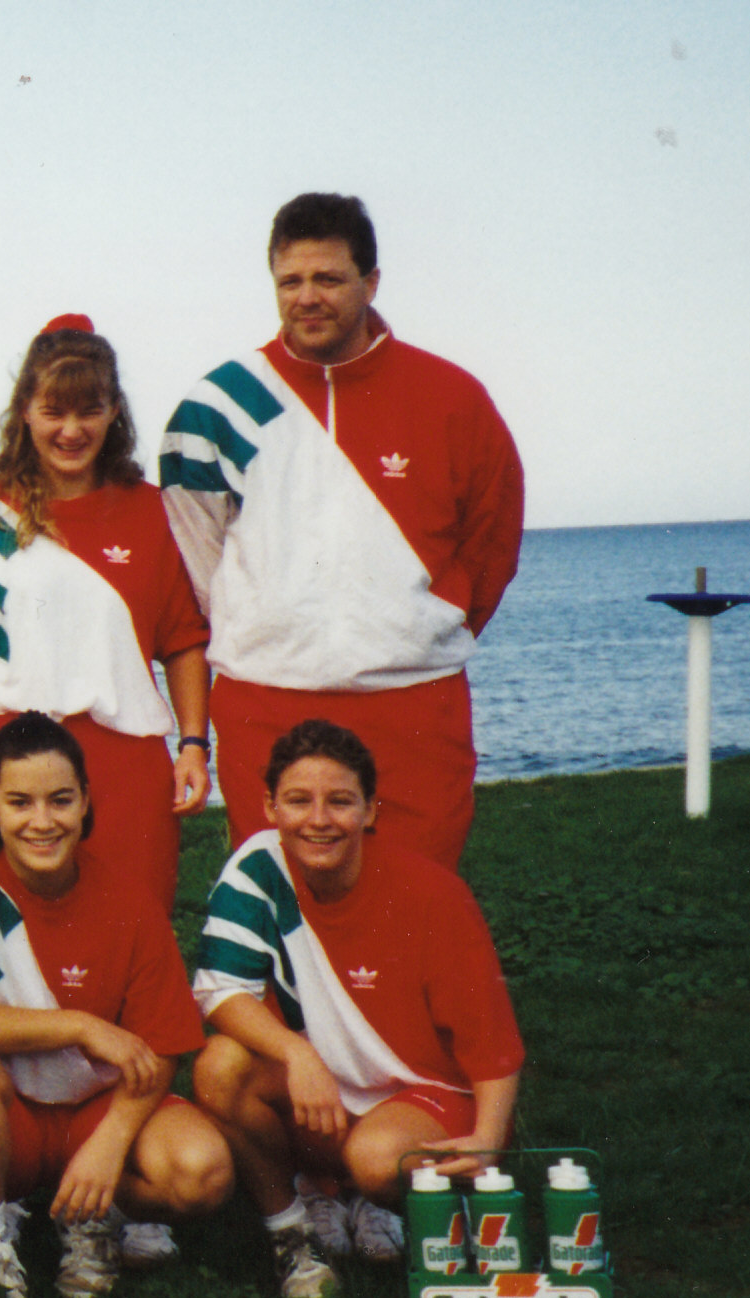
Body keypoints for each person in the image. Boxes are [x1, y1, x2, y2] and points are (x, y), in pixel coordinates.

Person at [159, 193, 524, 868]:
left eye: (327, 279)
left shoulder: (451, 398)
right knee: (282, 917)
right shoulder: (216, 407)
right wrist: (263, 622)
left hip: (413, 705)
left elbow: (491, 542)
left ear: (370, 282)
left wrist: (422, 627)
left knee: (417, 906)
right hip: (264, 704)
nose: (306, 298)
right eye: (289, 282)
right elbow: (193, 555)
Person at [189, 720, 524, 1298]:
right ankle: (293, 1235)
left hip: (421, 1100)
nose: (318, 820)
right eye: (298, 800)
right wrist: (296, 1052)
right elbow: (220, 991)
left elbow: (492, 1044)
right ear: (270, 807)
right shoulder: (258, 869)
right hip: (325, 1096)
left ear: (371, 810)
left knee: (376, 1160)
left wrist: (489, 1140)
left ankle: (378, 1199)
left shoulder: (430, 895)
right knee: (220, 1069)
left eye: (340, 801)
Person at [0, 714, 233, 1298]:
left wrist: (110, 1142)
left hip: (93, 1107)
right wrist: (80, 1024)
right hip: (9, 1117)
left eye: (61, 800)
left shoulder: (126, 898)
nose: (42, 821)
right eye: (19, 801)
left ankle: (94, 1215)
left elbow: (164, 1043)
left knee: (203, 1172)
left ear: (86, 803)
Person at [0, 315, 210, 920]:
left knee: (134, 929)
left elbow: (183, 640)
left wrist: (192, 745)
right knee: (23, 940)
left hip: (129, 767)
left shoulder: (151, 510)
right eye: (55, 411)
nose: (72, 431)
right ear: (24, 411)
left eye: (90, 411)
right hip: (19, 762)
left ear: (115, 413)